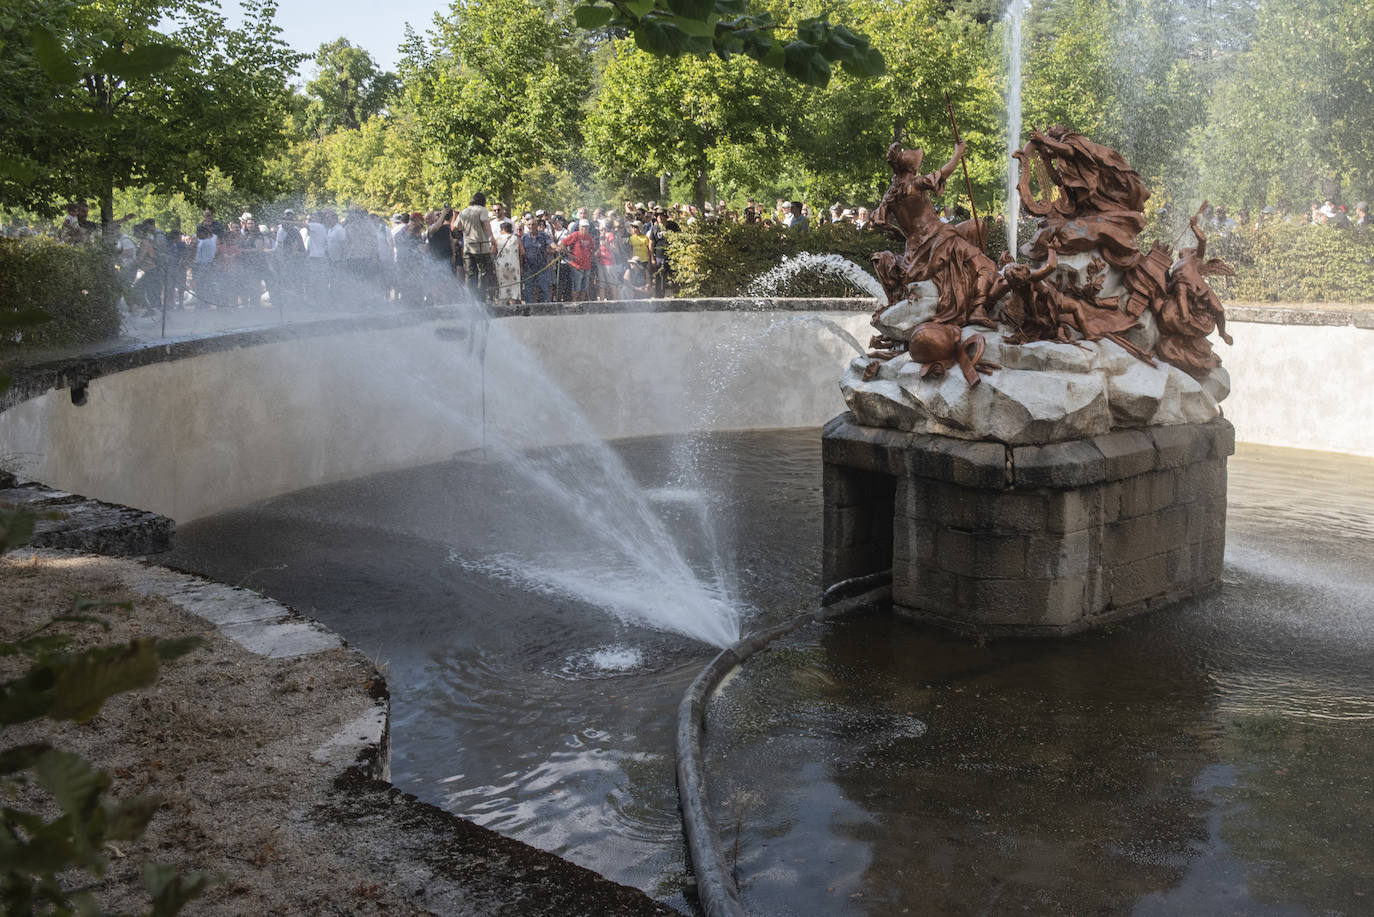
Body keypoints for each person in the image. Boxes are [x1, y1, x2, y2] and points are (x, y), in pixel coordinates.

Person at [457, 193, 496, 301]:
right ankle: (481, 297)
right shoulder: (482, 210)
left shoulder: (463, 211)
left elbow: (456, 227)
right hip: (481, 246)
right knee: (483, 272)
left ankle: (470, 298)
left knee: (470, 274)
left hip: (468, 248)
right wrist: (492, 237)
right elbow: (486, 223)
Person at [556, 218, 595, 303]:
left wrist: (591, 256)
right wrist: (569, 254)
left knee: (584, 287)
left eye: (586, 227)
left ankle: (581, 302)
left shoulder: (589, 237)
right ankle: (574, 302)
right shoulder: (575, 235)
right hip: (576, 266)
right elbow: (562, 244)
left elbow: (593, 248)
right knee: (576, 286)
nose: (584, 229)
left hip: (587, 265)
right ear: (579, 227)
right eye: (583, 227)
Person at [520, 217, 554, 303]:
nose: (531, 226)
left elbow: (550, 243)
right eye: (529, 225)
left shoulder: (543, 235)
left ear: (537, 225)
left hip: (542, 268)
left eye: (533, 224)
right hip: (528, 268)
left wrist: (556, 248)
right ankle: (529, 309)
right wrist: (521, 267)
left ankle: (547, 307)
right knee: (528, 290)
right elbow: (521, 254)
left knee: (544, 289)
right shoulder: (524, 238)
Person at [493, 220, 521, 305]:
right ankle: (513, 306)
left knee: (503, 285)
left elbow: (493, 251)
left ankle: (502, 305)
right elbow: (523, 252)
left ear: (502, 230)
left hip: (501, 266)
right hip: (514, 266)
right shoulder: (516, 238)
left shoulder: (498, 240)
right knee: (514, 286)